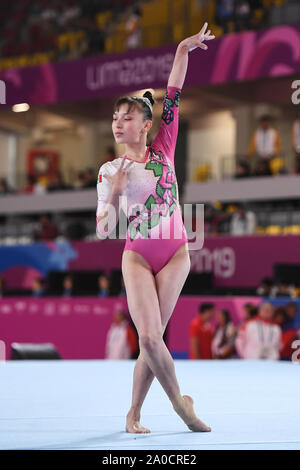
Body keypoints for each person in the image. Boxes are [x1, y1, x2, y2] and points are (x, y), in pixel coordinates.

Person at [96, 22, 215, 434]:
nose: (118, 123)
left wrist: (183, 48)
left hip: (176, 254)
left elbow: (175, 89)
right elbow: (103, 227)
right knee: (148, 339)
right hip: (137, 256)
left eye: (126, 117)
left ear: (144, 125)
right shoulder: (110, 169)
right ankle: (182, 405)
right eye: (115, 117)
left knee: (154, 338)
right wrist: (113, 194)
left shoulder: (164, 144)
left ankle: (134, 413)